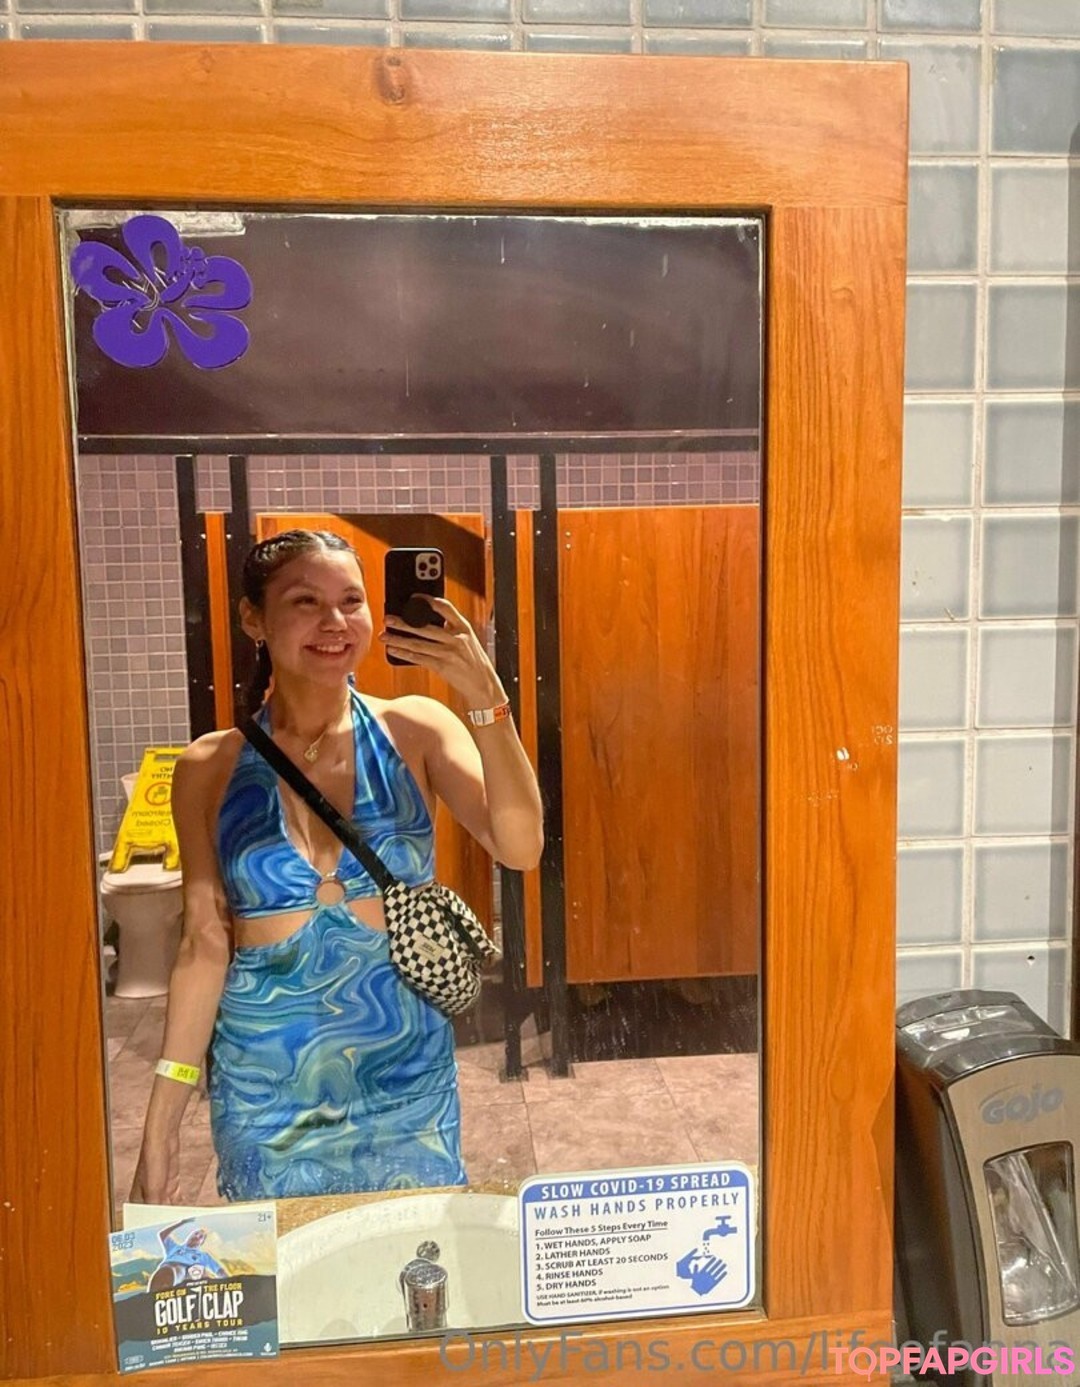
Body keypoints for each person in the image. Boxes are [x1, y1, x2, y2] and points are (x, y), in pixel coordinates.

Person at [130, 529, 543, 1203]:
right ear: (253, 619)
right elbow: (203, 945)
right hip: (266, 1089)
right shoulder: (209, 766)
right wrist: (162, 1124)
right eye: (306, 601)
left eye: (351, 600)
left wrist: (487, 698)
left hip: (406, 1079)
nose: (335, 622)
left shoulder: (417, 728)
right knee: (287, 1260)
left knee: (413, 1253)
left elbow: (520, 846)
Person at [148, 1218, 227, 1291]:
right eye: (196, 1233)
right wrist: (181, 1223)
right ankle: (153, 1294)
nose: (197, 1236)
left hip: (187, 1274)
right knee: (165, 1270)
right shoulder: (174, 1247)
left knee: (184, 1269)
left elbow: (219, 1271)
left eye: (201, 1237)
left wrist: (228, 1282)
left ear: (201, 1242)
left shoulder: (203, 1256)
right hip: (166, 1269)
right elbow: (162, 1234)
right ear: (190, 1235)